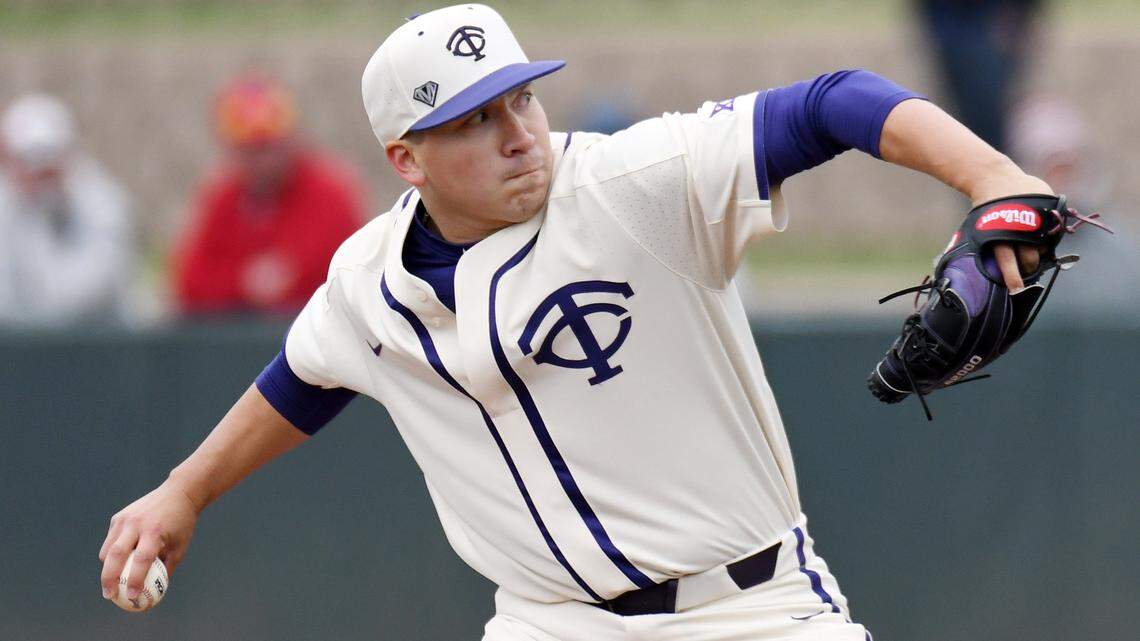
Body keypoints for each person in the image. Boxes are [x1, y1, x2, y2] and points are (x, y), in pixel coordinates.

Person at [100, 5, 1054, 639]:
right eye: (476, 119)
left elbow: (832, 101)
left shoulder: (630, 183)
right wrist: (184, 490)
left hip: (751, 608)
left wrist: (994, 178)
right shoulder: (367, 280)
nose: (519, 131)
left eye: (521, 96)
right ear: (407, 158)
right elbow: (302, 379)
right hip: (550, 622)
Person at [172, 75, 365, 316]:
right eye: (249, 150)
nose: (262, 161)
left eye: (268, 147)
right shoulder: (222, 197)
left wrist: (286, 279)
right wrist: (243, 284)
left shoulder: (330, 192)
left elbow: (351, 278)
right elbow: (188, 283)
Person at [0, 93, 133, 327]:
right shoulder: (8, 203)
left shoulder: (102, 202)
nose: (38, 174)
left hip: (95, 345)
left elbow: (84, 292)